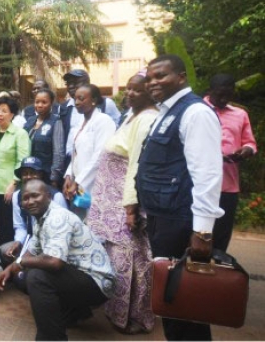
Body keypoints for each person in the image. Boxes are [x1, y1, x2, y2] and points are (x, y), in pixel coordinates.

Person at [136, 54, 224, 340]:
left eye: (160, 76)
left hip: (181, 223)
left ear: (181, 77)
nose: (153, 82)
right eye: (149, 78)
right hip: (163, 218)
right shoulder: (167, 111)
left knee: (182, 301)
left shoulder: (195, 113)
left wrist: (203, 232)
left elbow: (207, 175)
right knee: (171, 299)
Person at [0, 180, 115, 341]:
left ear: (48, 196)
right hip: (78, 275)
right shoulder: (41, 218)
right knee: (22, 277)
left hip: (98, 282)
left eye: (35, 196)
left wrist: (19, 263)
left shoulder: (57, 217)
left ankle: (51, 338)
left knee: (37, 277)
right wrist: (11, 269)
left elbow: (54, 262)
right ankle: (74, 312)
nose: (30, 201)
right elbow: (32, 252)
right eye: (25, 198)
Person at [84, 75, 158, 334]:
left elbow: (137, 164)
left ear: (152, 93)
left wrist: (131, 207)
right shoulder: (131, 115)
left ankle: (135, 316)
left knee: (132, 260)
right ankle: (116, 309)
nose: (130, 93)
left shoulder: (148, 119)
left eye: (138, 90)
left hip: (123, 206)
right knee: (115, 259)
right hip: (109, 204)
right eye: (128, 88)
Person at [204, 73, 257, 252]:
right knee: (198, 233)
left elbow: (249, 142)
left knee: (221, 235)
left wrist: (247, 150)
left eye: (228, 95)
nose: (224, 98)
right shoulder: (196, 110)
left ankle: (217, 273)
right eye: (220, 94)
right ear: (210, 91)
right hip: (199, 184)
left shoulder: (240, 114)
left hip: (228, 186)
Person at [0, 157, 67, 266]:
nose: (29, 177)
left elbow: (63, 232)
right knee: (3, 251)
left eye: (33, 173)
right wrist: (18, 242)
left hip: (51, 245)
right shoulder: (17, 196)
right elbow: (20, 226)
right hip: (29, 241)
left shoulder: (55, 196)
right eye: (25, 173)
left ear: (41, 175)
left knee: (28, 269)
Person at [0, 96, 30, 243]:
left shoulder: (20, 134)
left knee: (7, 226)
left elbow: (22, 161)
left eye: (4, 111)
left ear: (12, 114)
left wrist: (14, 183)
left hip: (9, 189)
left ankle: (7, 257)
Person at [63, 84, 116, 218]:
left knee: (93, 224)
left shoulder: (104, 121)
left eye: (81, 99)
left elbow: (100, 156)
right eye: (75, 98)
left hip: (94, 184)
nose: (77, 102)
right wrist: (69, 176)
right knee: (80, 223)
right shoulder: (81, 121)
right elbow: (77, 153)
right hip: (79, 185)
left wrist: (78, 181)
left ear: (94, 100)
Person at [60, 69, 121, 172]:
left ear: (87, 83)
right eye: (68, 83)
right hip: (70, 161)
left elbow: (117, 131)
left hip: (96, 163)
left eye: (75, 82)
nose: (70, 86)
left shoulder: (106, 105)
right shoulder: (64, 107)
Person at [24, 89, 66, 188]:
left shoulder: (56, 121)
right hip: (28, 174)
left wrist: (54, 177)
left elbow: (59, 152)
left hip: (46, 175)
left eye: (44, 102)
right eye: (37, 102)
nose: (40, 105)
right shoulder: (30, 121)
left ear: (51, 103)